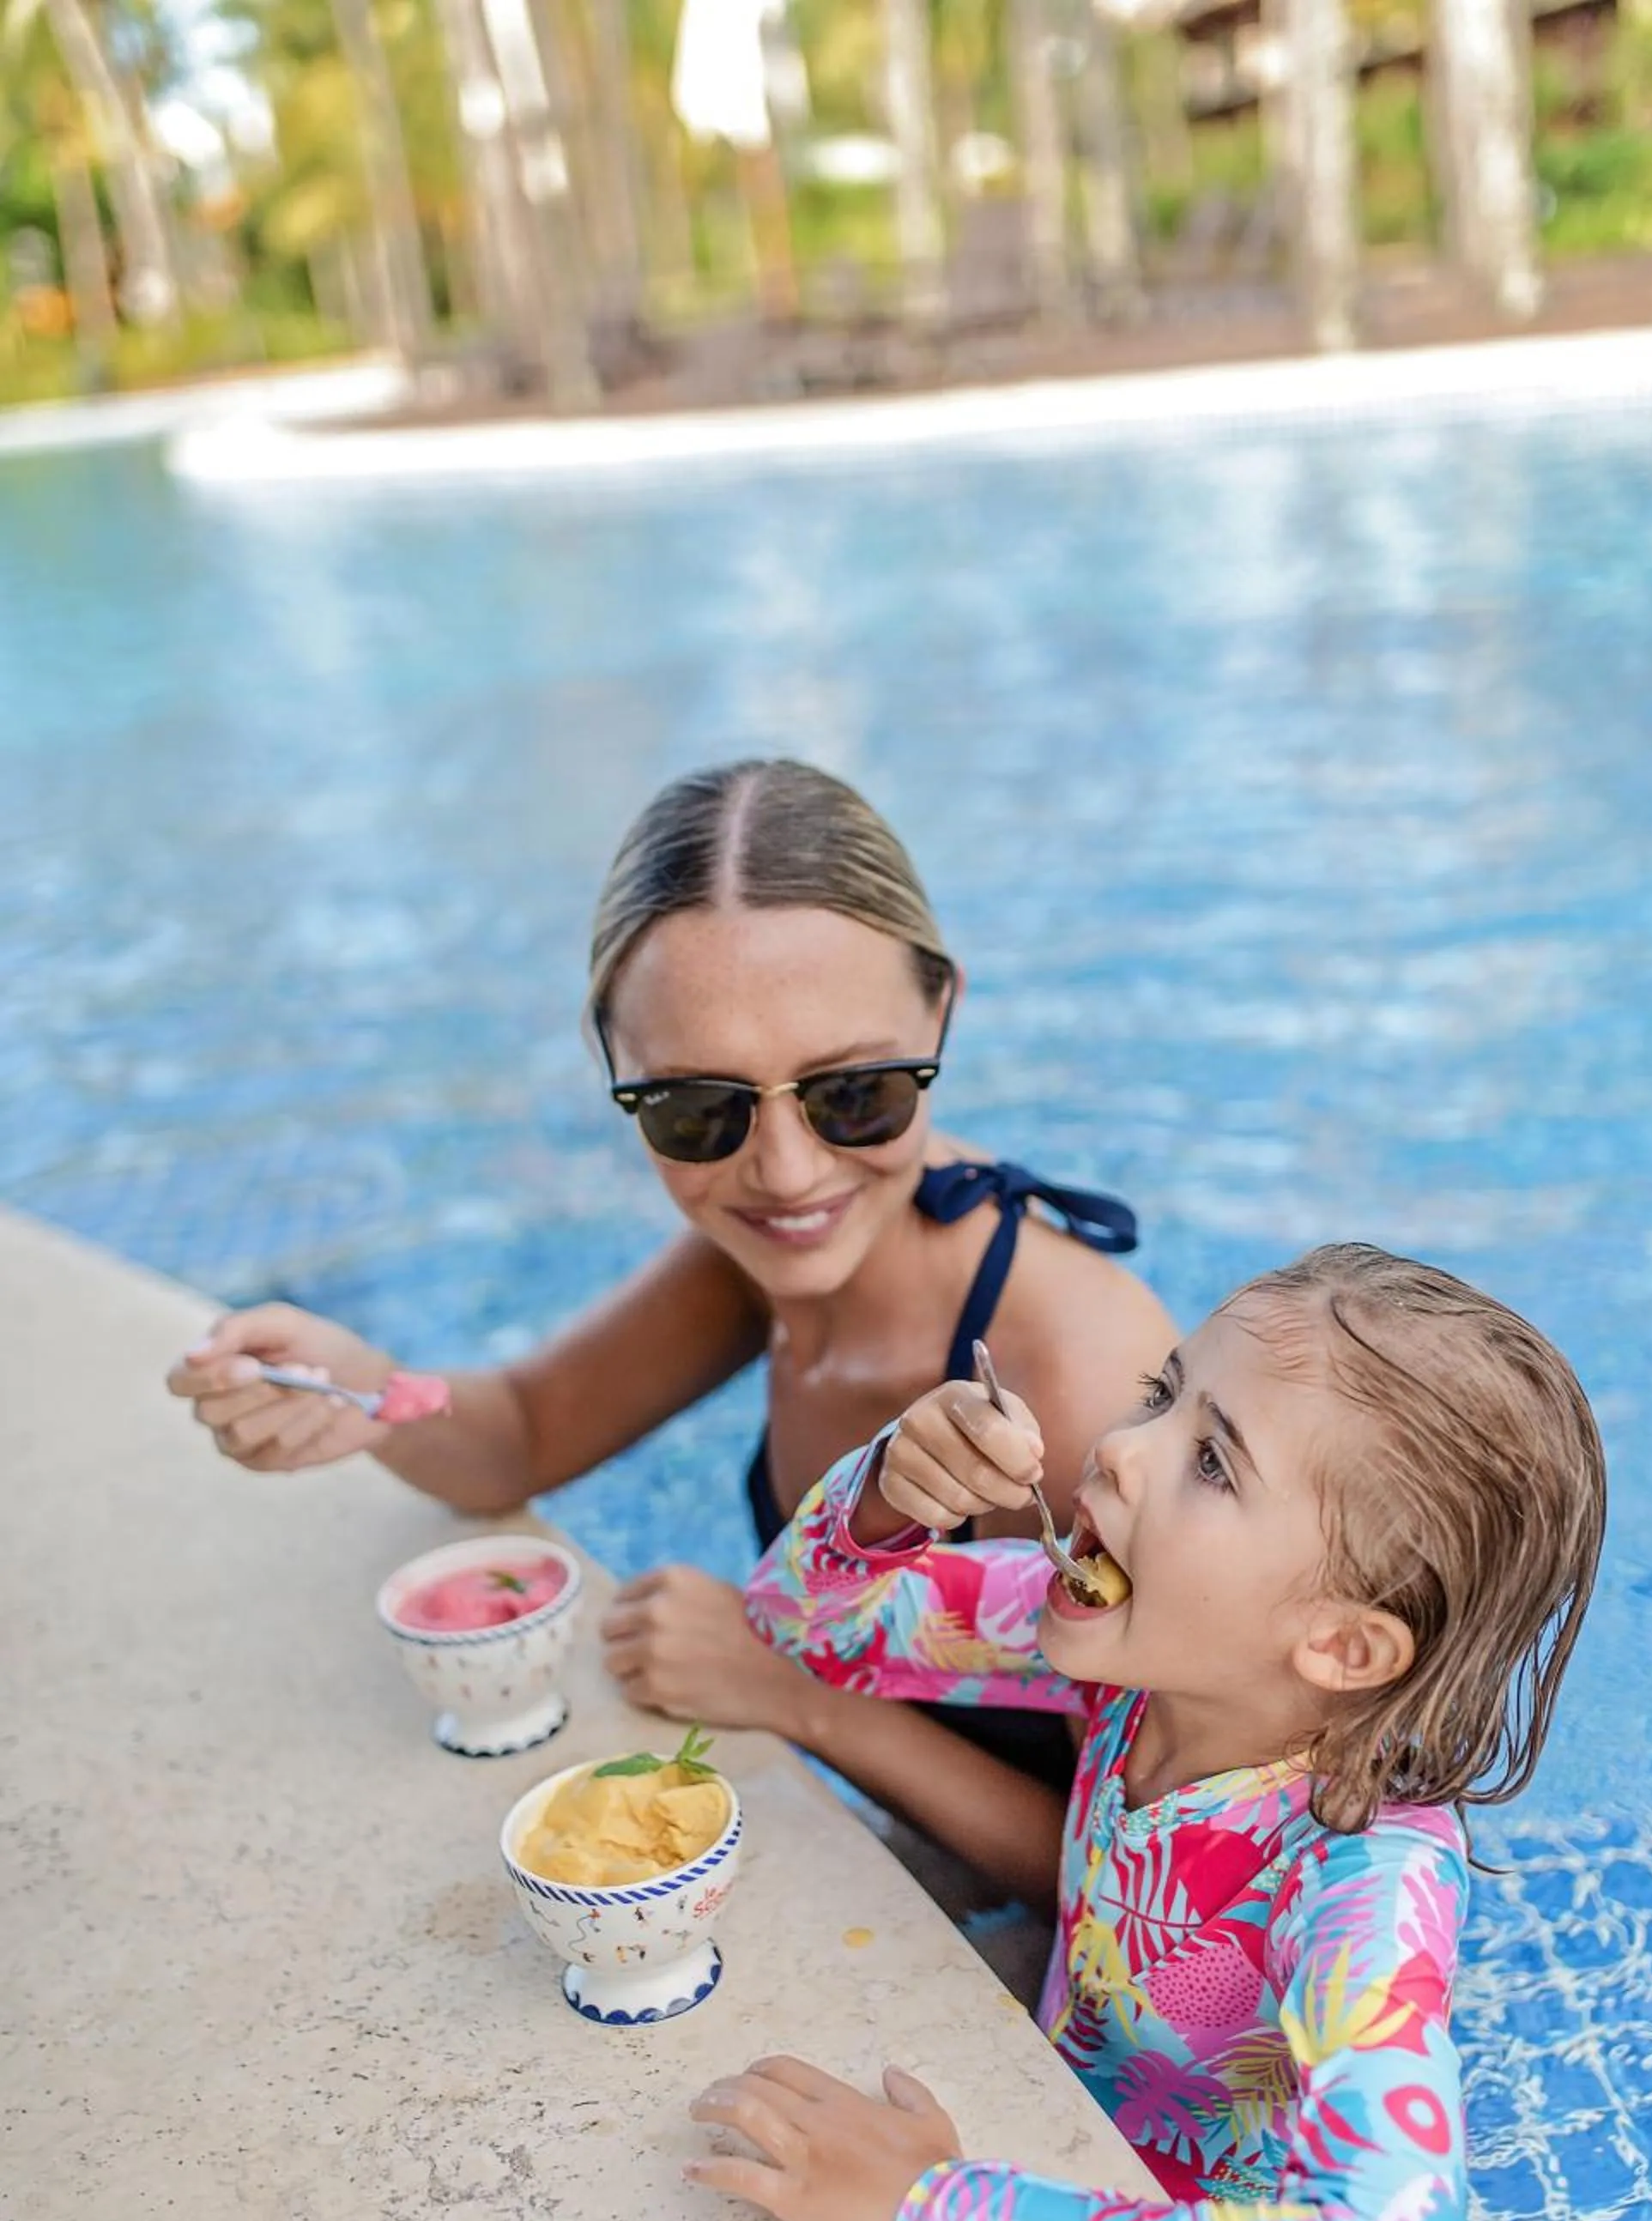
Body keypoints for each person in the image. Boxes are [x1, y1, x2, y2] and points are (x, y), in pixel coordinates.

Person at [166, 758, 1172, 1903]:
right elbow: (523, 1432)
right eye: (697, 1109)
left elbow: (1163, 1891)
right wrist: (367, 1390)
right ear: (610, 1055)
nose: (787, 1171)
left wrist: (792, 1692)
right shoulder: (764, 1252)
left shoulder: (1075, 1385)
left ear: (941, 1008)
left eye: (856, 1095)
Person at [685, 1244, 1607, 2221]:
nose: (1118, 1448)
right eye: (1162, 1396)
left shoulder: (1361, 1883)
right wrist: (890, 1493)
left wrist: (924, 2207)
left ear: (1340, 1646)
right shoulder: (1129, 1662)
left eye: (1211, 1461)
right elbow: (801, 1626)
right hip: (1076, 2158)